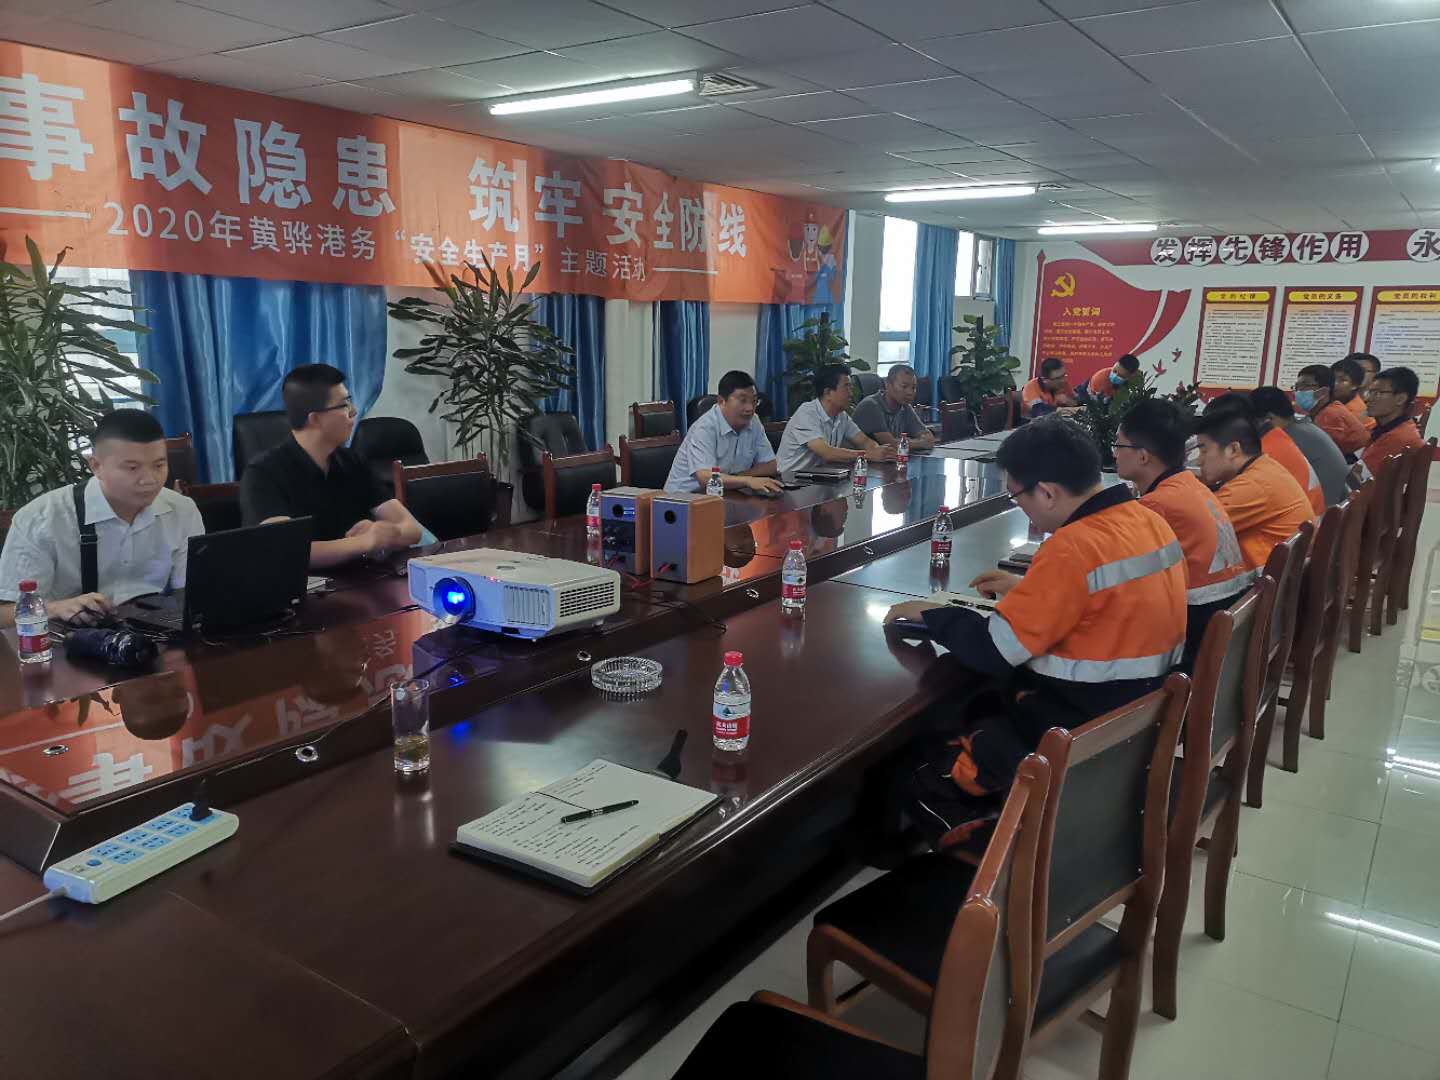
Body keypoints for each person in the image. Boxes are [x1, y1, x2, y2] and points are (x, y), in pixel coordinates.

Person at [882, 418, 1186, 847]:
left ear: (1047, 492)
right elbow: (1108, 599)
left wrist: (933, 615)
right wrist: (1031, 588)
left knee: (916, 766)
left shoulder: (1074, 546)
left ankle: (1003, 862)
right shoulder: (1145, 518)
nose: (1021, 507)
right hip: (1133, 718)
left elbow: (994, 649)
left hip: (1074, 731)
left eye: (1017, 496)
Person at [0, 409, 204, 628]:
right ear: (96, 466)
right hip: (68, 639)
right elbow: (4, 615)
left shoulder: (182, 509)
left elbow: (194, 592)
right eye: (132, 468)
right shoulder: (41, 518)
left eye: (159, 465)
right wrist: (57, 608)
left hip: (152, 633)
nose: (149, 480)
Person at [1114, 398, 1252, 670]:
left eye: (1119, 445)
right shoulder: (1190, 485)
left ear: (1143, 456)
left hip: (1192, 640)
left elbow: (1123, 584)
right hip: (1223, 626)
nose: (1115, 454)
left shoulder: (1157, 506)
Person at [240, 363, 422, 569]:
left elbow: (413, 530)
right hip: (301, 586)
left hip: (359, 579)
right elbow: (287, 549)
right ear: (315, 419)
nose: (354, 412)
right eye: (344, 405)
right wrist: (364, 542)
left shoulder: (353, 462)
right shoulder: (263, 473)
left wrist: (384, 531)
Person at [1193, 406, 1314, 570]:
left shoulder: (1254, 485)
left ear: (1233, 450)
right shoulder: (1265, 467)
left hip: (1265, 581)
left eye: (1204, 451)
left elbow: (1193, 525)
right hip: (1286, 575)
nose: (1198, 461)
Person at [664, 370, 782, 494]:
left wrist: (740, 478)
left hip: (724, 495)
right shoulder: (705, 428)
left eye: (754, 401)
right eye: (743, 401)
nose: (750, 408)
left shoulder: (754, 422)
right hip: (683, 499)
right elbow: (705, 478)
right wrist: (747, 481)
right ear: (721, 401)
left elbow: (770, 465)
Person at [1207, 392, 1323, 515]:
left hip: (1303, 521)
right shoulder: (1274, 438)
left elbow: (1215, 513)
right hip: (1308, 519)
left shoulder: (1262, 452)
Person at [775, 366, 894, 475]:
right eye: (846, 387)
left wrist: (879, 451)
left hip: (819, 477)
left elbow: (864, 441)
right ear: (828, 393)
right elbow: (827, 453)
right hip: (789, 480)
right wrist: (868, 454)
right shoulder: (806, 413)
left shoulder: (841, 416)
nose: (851, 393)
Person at [1248, 386, 1350, 507]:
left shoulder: (1286, 440)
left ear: (1269, 419)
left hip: (1322, 511)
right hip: (1334, 505)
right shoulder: (1304, 428)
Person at [852, 365, 935, 450]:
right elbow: (891, 445)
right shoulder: (870, 406)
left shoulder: (905, 407)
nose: (910, 392)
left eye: (913, 388)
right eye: (904, 386)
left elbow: (929, 438)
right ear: (888, 384)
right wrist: (920, 442)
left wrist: (907, 442)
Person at [1362, 366, 1425, 475]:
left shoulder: (1397, 438)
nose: (1367, 399)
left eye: (1377, 393)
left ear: (1400, 399)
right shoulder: (1395, 428)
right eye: (1370, 392)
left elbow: (1356, 478)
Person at [1295, 364, 1367, 458]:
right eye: (1297, 386)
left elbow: (1318, 450)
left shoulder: (1331, 414)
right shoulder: (1320, 410)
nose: (1299, 391)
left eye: (1306, 386)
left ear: (1323, 391)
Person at [1333, 354, 1375, 431]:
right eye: (1332, 378)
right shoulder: (1328, 400)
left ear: (1355, 384)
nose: (1335, 383)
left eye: (1342, 380)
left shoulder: (1360, 411)